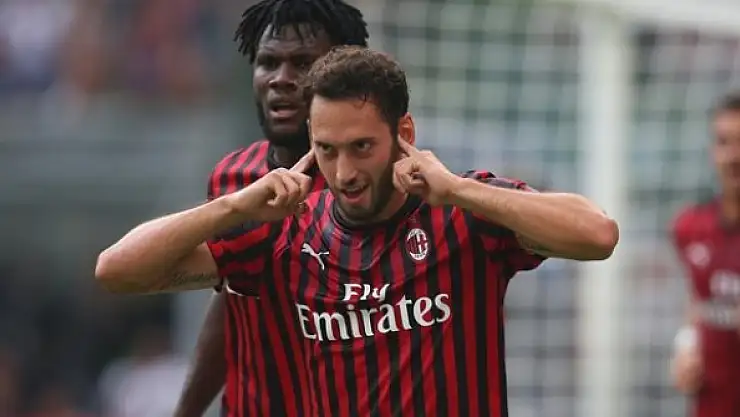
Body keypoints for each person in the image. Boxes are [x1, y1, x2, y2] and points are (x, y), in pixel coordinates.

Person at [95, 46, 618, 416]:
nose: (343, 172)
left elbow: (598, 235)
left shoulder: (463, 213)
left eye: (361, 147)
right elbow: (117, 272)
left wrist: (460, 190)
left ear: (404, 133)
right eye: (327, 149)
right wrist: (232, 206)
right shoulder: (285, 233)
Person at [170, 1, 369, 416]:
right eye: (268, 62)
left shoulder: (378, 185)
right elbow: (236, 296)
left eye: (303, 63)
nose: (281, 78)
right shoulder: (233, 180)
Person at [670, 92, 740, 417]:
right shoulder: (690, 227)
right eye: (725, 142)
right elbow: (698, 301)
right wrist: (685, 346)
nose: (734, 155)